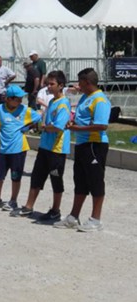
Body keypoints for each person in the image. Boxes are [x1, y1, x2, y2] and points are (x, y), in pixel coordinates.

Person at [55, 68, 111, 232]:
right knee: (80, 181)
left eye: (80, 82)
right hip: (82, 144)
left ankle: (96, 219)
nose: (78, 85)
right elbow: (83, 118)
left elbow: (102, 125)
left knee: (95, 181)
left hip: (94, 145)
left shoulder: (99, 99)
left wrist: (77, 129)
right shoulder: (86, 97)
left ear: (87, 82)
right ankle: (73, 217)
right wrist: (72, 122)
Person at [11, 71, 71, 222]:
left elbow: (58, 126)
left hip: (57, 149)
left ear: (61, 86)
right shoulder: (51, 102)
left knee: (56, 179)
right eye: (48, 83)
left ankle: (55, 210)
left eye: (52, 84)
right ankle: (28, 206)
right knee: (37, 176)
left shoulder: (63, 104)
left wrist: (44, 127)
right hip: (45, 146)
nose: (48, 86)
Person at [0, 85, 42, 211]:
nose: (20, 101)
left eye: (21, 98)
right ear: (8, 99)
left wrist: (27, 128)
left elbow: (38, 117)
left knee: (16, 176)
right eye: (17, 99)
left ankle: (13, 200)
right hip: (4, 148)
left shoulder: (24, 110)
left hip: (19, 148)